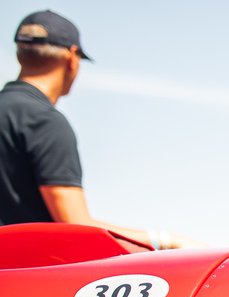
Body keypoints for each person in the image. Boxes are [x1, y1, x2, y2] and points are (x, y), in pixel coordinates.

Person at [1, 11, 189, 247]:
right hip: (22, 275)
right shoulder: (44, 122)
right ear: (72, 58)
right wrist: (163, 241)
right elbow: (75, 226)